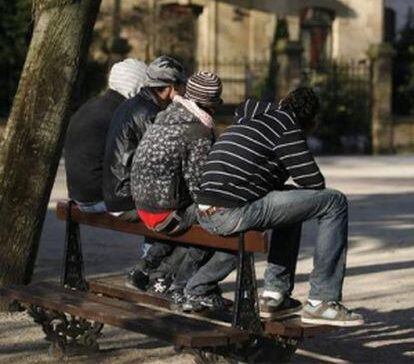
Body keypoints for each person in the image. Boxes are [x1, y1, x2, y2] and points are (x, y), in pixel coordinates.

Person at [196, 86, 364, 326]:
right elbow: (314, 182)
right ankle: (322, 301)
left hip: (207, 210)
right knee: (334, 201)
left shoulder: (253, 118)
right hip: (231, 212)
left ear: (284, 101)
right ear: (309, 120)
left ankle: (275, 295)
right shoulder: (286, 125)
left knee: (295, 202)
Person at [132, 71, 236, 311]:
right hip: (165, 215)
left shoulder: (165, 116)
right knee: (216, 218)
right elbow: (201, 188)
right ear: (210, 105)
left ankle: (153, 268)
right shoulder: (197, 130)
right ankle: (187, 286)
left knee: (203, 216)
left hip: (143, 208)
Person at [102, 55, 187, 290]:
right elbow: (163, 161)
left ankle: (151, 271)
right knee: (185, 216)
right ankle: (156, 275)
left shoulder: (131, 104)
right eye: (181, 86)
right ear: (171, 88)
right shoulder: (150, 114)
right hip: (127, 199)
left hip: (116, 192)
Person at [64, 58, 147, 213]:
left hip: (79, 194)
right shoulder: (123, 113)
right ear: (138, 85)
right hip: (99, 197)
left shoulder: (93, 104)